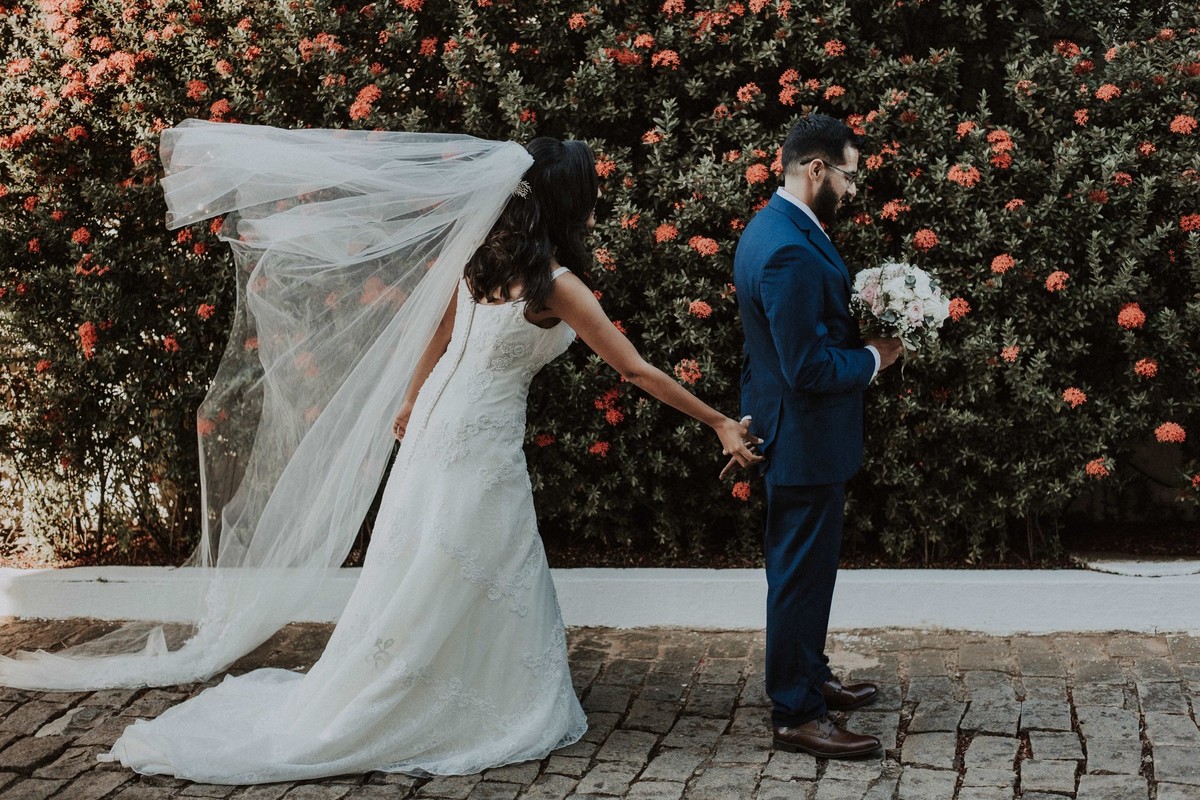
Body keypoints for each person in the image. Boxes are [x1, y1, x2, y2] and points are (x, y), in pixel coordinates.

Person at [85, 134, 761, 783]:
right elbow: (637, 371)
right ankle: (448, 699)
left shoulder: (486, 256)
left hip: (442, 421)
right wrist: (719, 423)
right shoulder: (556, 285)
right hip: (478, 437)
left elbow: (443, 324)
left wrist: (412, 400)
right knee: (473, 559)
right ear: (567, 201)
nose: (596, 202)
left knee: (432, 561)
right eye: (590, 191)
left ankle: (432, 679)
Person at [732, 114, 902, 759]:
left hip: (792, 431)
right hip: (802, 440)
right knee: (800, 576)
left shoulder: (773, 227)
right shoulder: (788, 250)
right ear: (817, 169)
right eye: (850, 175)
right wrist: (874, 358)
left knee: (807, 571)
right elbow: (804, 366)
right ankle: (796, 712)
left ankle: (810, 676)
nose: (854, 189)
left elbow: (766, 354)